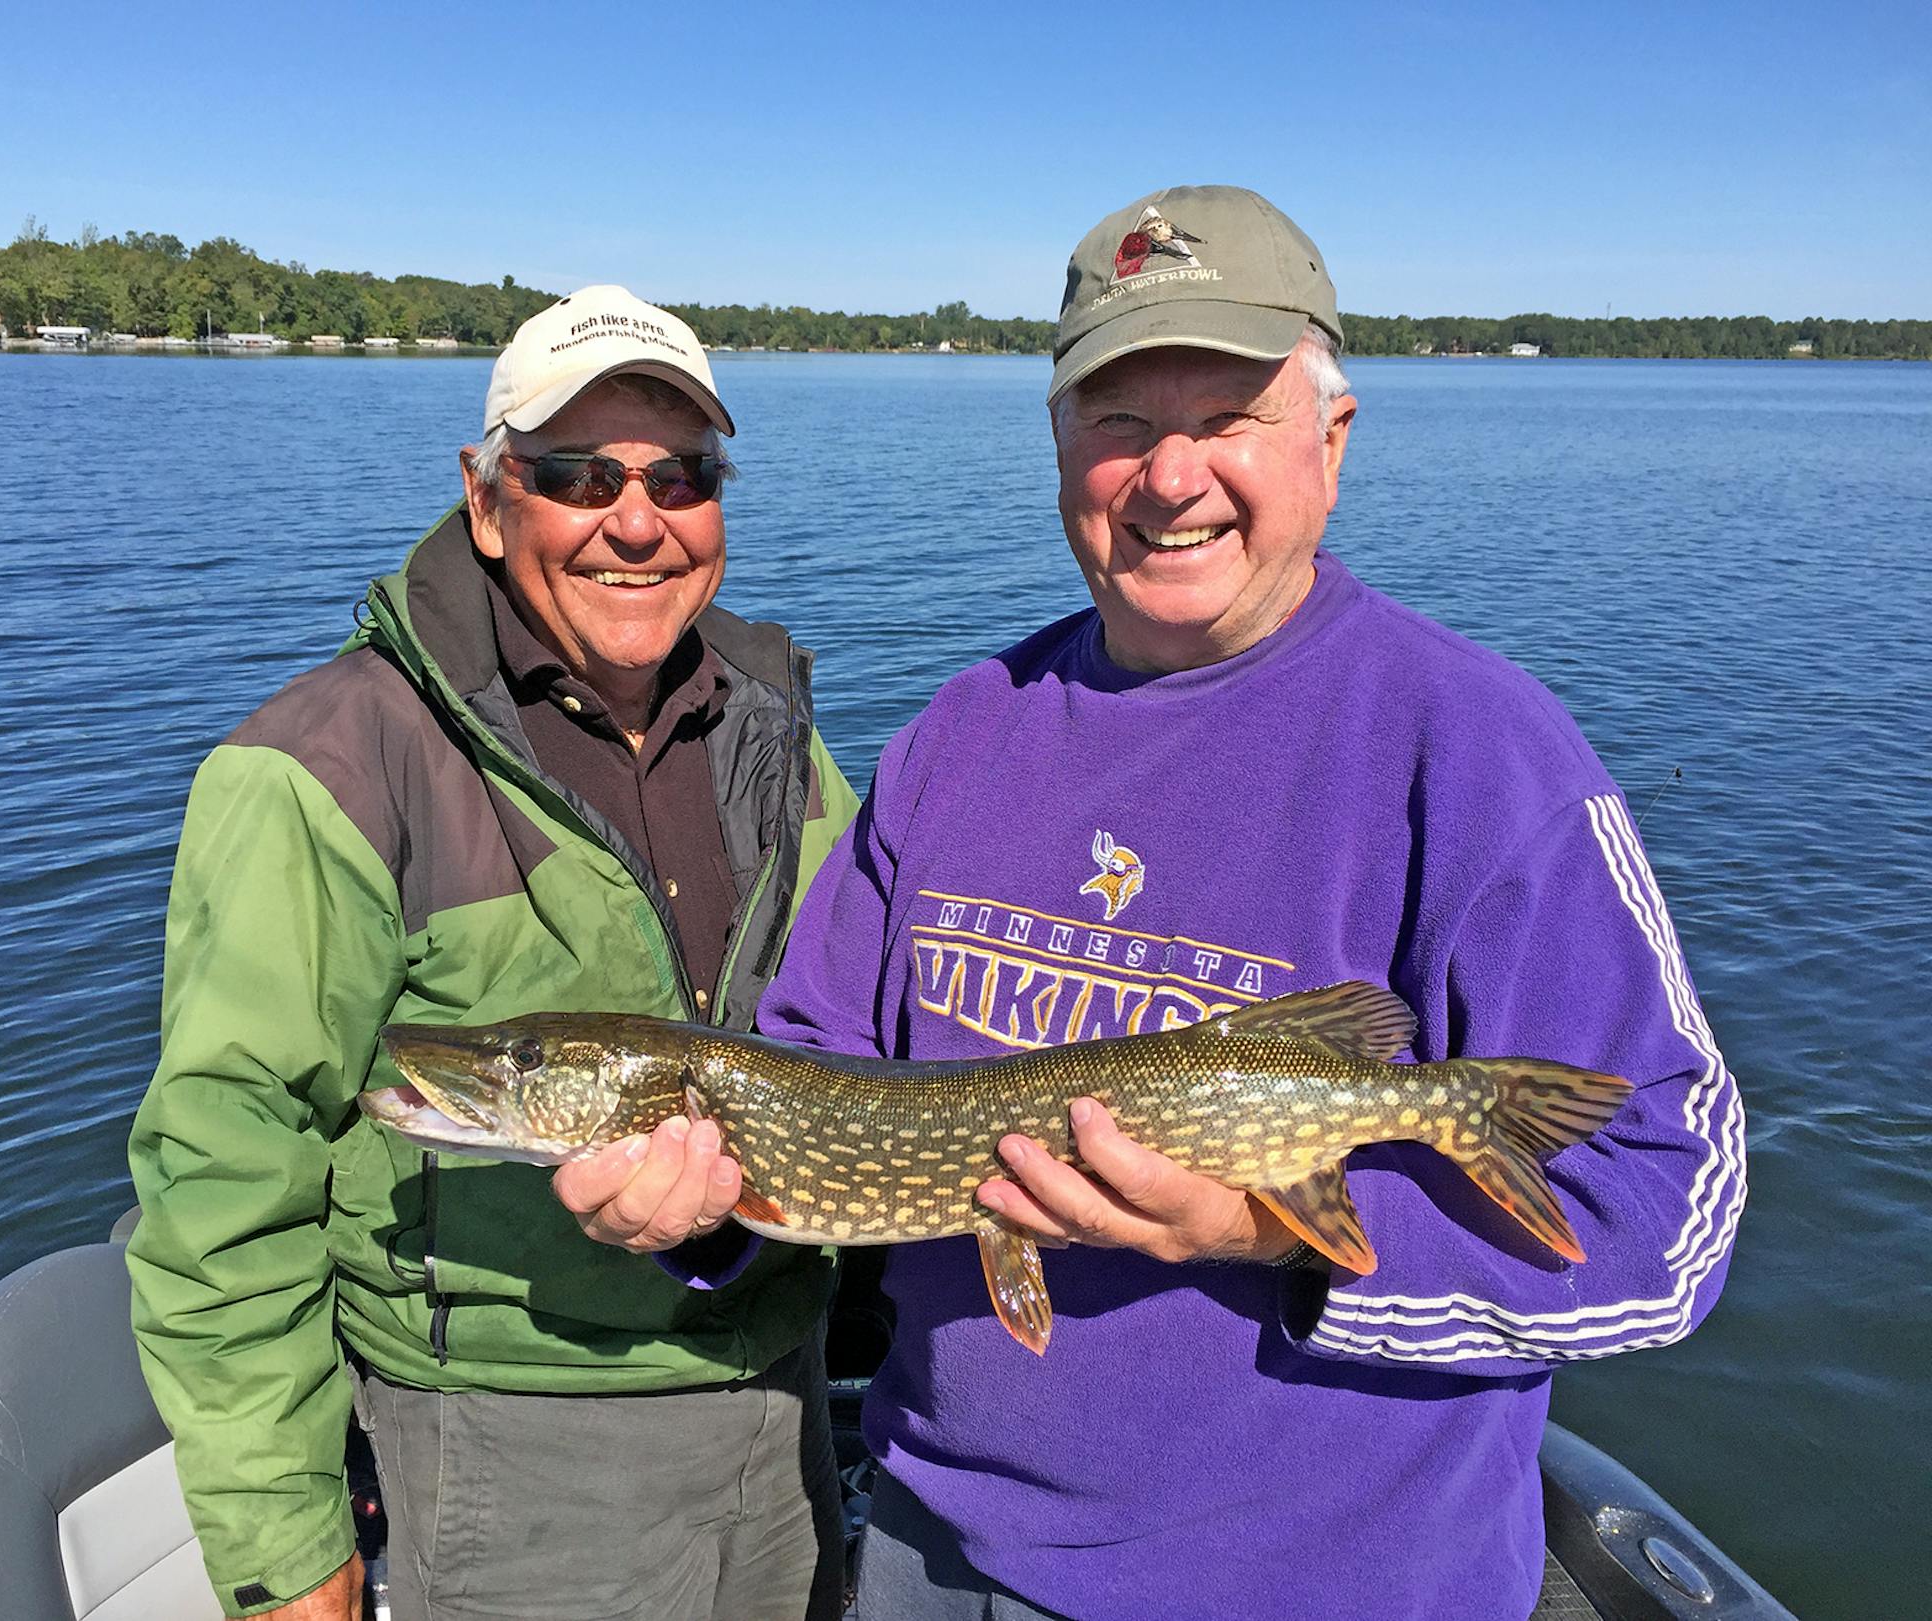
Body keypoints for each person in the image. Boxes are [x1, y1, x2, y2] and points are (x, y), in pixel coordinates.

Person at [752, 188, 1746, 1620]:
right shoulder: (959, 733)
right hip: (935, 1552)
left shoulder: (1479, 751)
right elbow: (808, 1069)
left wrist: (1277, 1230)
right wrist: (701, 1211)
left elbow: (1673, 1218)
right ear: (1055, 450)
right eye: (1115, 422)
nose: (1168, 477)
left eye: (1225, 414)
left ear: (1329, 441)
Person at [127, 285, 858, 1621]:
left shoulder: (778, 740)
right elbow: (218, 1182)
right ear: (487, 497)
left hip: (782, 1410)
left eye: (680, 476)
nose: (635, 519)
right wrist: (286, 1553)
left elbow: (868, 1026)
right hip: (514, 1449)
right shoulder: (326, 766)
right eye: (578, 474)